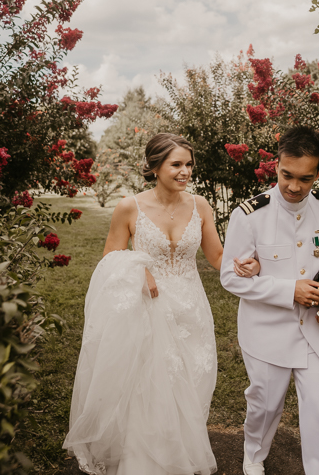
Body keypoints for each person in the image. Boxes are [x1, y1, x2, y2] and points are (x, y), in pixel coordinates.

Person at [63, 133, 260, 475]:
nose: (185, 172)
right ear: (154, 167)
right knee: (150, 385)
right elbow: (111, 255)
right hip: (148, 306)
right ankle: (145, 462)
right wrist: (138, 269)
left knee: (192, 380)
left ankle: (179, 453)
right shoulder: (129, 206)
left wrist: (244, 265)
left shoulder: (200, 205)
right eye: (176, 164)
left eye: (188, 165)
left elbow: (216, 255)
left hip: (191, 307)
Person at [220, 125, 319, 475]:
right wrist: (288, 290)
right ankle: (253, 455)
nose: (295, 187)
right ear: (275, 165)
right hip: (267, 332)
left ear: (318, 173)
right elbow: (230, 276)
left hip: (318, 328)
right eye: (287, 175)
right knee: (265, 405)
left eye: (306, 179)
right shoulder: (250, 215)